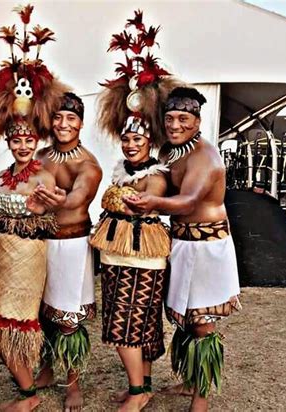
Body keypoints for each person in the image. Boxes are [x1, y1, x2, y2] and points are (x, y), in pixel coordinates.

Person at [123, 86, 241, 412]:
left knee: (202, 323)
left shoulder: (206, 157)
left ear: (198, 121)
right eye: (170, 118)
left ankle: (200, 399)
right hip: (180, 243)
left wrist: (153, 203)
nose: (175, 125)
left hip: (207, 248)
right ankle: (191, 378)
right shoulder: (169, 152)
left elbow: (188, 201)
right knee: (185, 318)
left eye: (183, 119)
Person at [0, 6, 65, 410]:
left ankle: (28, 395)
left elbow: (51, 218)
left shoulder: (46, 176)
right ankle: (26, 386)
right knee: (0, 318)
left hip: (28, 259)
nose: (23, 145)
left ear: (36, 141)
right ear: (9, 143)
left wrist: (40, 211)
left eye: (29, 140)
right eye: (17, 141)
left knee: (16, 322)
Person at [90, 11, 176, 410]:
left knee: (130, 325)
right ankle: (144, 384)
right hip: (115, 253)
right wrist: (119, 193)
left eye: (137, 141)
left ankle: (139, 394)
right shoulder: (121, 169)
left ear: (149, 142)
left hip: (142, 259)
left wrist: (119, 196)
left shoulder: (157, 173)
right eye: (126, 139)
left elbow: (141, 200)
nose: (130, 145)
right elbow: (121, 197)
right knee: (129, 322)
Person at [33, 92, 102, 412]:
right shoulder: (41, 156)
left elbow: (78, 200)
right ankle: (46, 368)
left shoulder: (88, 164)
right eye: (58, 117)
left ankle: (72, 383)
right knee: (42, 311)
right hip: (41, 242)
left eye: (70, 118)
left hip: (73, 244)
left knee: (68, 318)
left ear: (81, 123)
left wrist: (58, 200)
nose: (63, 124)